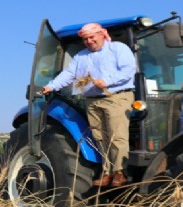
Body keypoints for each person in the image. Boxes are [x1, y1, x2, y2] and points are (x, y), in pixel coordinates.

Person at [42, 23, 136, 187]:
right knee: (100, 137)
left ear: (102, 34)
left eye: (92, 37)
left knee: (116, 135)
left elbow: (128, 69)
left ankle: (120, 172)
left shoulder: (117, 49)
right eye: (85, 39)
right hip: (92, 101)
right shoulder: (81, 56)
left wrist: (107, 81)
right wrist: (51, 86)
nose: (89, 41)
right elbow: (69, 74)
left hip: (116, 97)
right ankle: (107, 172)